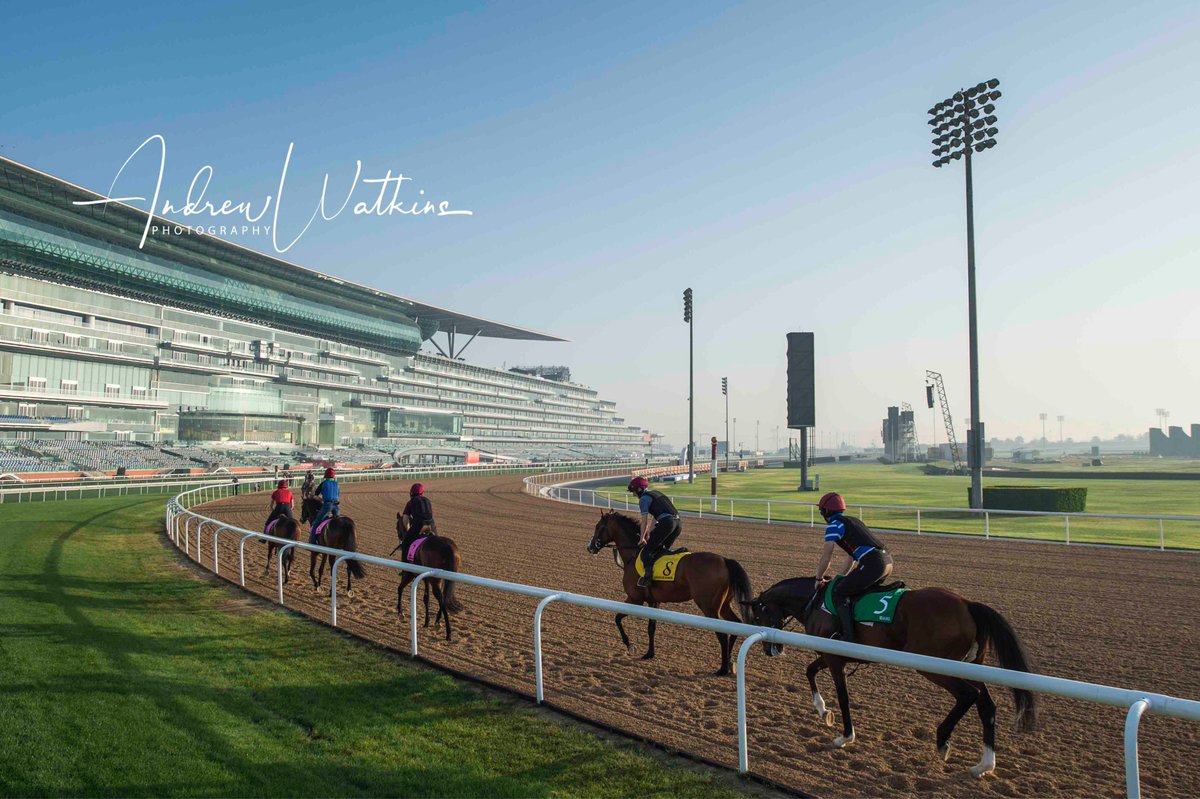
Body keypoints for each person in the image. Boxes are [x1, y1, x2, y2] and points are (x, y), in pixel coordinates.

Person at [815, 492, 893, 644]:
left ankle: (848, 637)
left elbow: (827, 555)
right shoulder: (854, 521)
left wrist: (819, 578)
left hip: (873, 564)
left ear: (825, 511)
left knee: (839, 593)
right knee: (853, 589)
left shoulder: (834, 526)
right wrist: (839, 578)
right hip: (887, 562)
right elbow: (851, 557)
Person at [627, 476, 681, 589]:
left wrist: (642, 538)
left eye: (633, 492)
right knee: (662, 550)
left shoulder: (643, 499)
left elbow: (644, 521)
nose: (633, 495)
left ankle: (647, 579)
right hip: (678, 524)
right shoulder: (656, 493)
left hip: (667, 523)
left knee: (646, 552)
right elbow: (655, 517)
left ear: (639, 489)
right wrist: (649, 534)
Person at [399, 482, 435, 561]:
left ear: (411, 493)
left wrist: (408, 530)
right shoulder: (427, 500)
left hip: (419, 525)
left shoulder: (410, 502)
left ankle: (405, 566)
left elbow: (405, 518)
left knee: (405, 543)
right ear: (422, 492)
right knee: (437, 541)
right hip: (431, 525)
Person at [309, 468, 339, 543]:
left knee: (316, 523)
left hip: (327, 505)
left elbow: (315, 496)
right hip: (336, 506)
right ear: (333, 476)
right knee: (338, 522)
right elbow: (337, 496)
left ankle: (312, 543)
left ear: (326, 476)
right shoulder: (337, 484)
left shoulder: (323, 483)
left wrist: (321, 500)